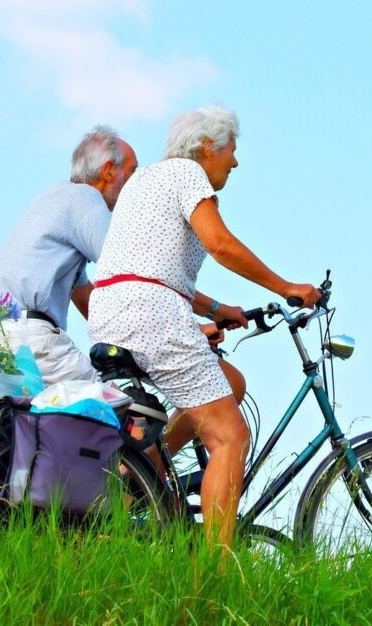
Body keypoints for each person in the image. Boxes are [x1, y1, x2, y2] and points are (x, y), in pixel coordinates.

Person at [87, 105, 321, 550]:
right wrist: (287, 286)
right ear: (208, 147)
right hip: (151, 313)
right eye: (232, 150)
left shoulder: (146, 181)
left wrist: (216, 309)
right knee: (230, 436)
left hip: (113, 311)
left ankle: (146, 474)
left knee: (229, 382)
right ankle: (214, 573)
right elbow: (220, 243)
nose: (235, 161)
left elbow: (148, 266)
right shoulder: (187, 173)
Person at [0, 125, 138, 385]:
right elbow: (131, 269)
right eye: (132, 172)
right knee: (117, 410)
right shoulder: (86, 200)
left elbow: (86, 297)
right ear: (109, 170)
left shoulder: (54, 198)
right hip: (31, 339)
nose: (135, 184)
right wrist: (182, 330)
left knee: (34, 422)